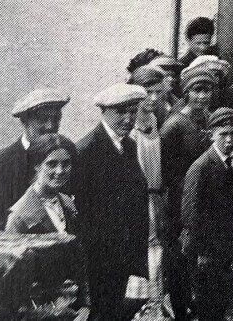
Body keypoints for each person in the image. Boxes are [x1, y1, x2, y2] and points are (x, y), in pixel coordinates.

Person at [75, 83, 150, 321]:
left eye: (132, 111)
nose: (128, 118)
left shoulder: (128, 145)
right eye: (121, 112)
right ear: (104, 112)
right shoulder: (87, 150)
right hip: (99, 258)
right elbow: (83, 212)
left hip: (123, 255)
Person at [0, 87, 70, 237]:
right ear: (24, 122)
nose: (50, 126)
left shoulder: (68, 154)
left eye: (55, 119)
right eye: (42, 120)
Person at [160, 62, 220, 321]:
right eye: (196, 91)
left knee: (200, 258)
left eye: (206, 91)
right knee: (179, 259)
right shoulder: (175, 124)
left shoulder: (210, 119)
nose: (202, 96)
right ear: (186, 93)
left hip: (205, 201)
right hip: (178, 202)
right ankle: (178, 307)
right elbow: (162, 169)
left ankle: (196, 305)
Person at [181, 107, 233, 321]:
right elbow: (190, 216)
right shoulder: (201, 168)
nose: (229, 140)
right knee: (210, 308)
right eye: (223, 134)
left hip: (228, 248)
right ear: (211, 135)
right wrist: (202, 254)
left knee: (227, 303)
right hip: (208, 253)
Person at [127, 66, 168, 305]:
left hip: (156, 196)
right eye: (147, 92)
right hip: (140, 200)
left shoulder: (154, 119)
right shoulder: (129, 126)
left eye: (158, 92)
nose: (153, 99)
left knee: (158, 256)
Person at [5, 133, 78, 235]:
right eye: (52, 164)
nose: (60, 171)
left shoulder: (67, 202)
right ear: (36, 165)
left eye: (66, 164)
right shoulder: (19, 217)